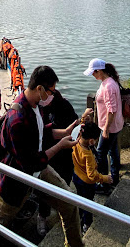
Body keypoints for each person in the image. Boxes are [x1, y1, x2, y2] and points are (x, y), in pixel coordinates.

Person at [0, 66, 85, 247]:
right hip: (17, 180)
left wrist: (64, 132)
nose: (53, 95)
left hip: (39, 171)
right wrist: (60, 146)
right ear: (40, 88)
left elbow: (41, 132)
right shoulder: (17, 119)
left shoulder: (35, 106)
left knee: (70, 204)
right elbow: (31, 163)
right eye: (51, 91)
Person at [36, 89, 78, 236]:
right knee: (45, 188)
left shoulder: (64, 105)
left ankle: (62, 211)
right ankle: (42, 216)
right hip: (48, 154)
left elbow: (73, 126)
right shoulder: (38, 109)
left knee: (65, 182)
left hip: (65, 153)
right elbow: (41, 133)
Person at [84, 58, 124, 192]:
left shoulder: (108, 87)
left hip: (110, 127)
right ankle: (114, 178)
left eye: (94, 73)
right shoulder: (110, 82)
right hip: (115, 125)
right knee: (113, 152)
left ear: (99, 71)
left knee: (101, 153)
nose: (93, 76)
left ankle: (104, 184)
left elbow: (111, 110)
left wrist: (106, 129)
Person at [72, 121, 113, 234]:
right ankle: (87, 223)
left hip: (76, 176)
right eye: (95, 139)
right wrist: (104, 178)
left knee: (80, 198)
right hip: (87, 183)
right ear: (91, 141)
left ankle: (78, 216)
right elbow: (92, 175)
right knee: (88, 203)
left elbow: (81, 126)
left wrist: (84, 118)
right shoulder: (88, 155)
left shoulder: (76, 140)